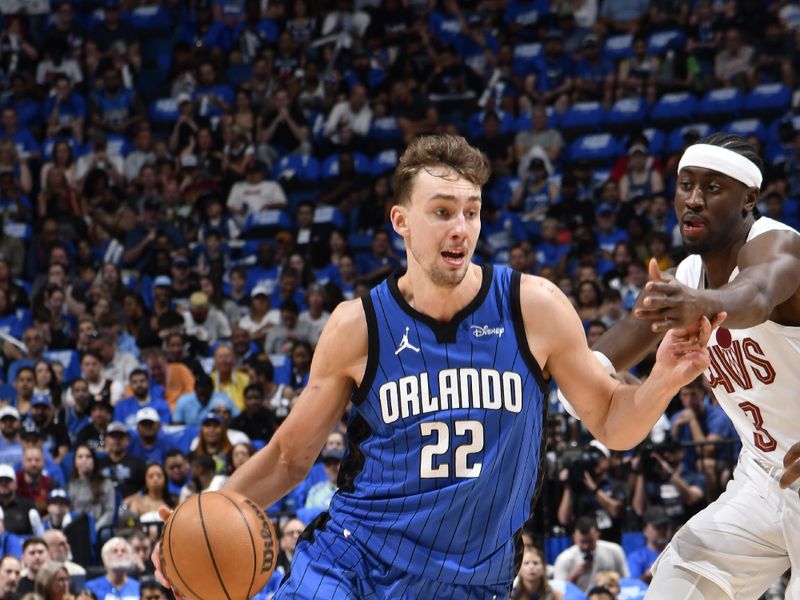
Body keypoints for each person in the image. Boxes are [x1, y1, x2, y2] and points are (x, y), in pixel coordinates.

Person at [153, 134, 715, 597]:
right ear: (401, 220)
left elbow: (614, 424)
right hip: (354, 558)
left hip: (473, 580)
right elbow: (288, 456)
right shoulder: (359, 325)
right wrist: (194, 522)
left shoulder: (533, 307)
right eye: (442, 212)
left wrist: (663, 379)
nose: (461, 228)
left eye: (471, 212)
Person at [590, 132, 800, 599]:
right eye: (686, 185)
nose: (694, 200)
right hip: (761, 475)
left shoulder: (780, 247)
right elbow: (599, 357)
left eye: (712, 187)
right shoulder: (686, 277)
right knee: (679, 580)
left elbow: (758, 294)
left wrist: (701, 304)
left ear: (749, 198)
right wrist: (563, 370)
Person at [553, 516, 630, 593]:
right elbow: (558, 592)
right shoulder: (564, 558)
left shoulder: (615, 551)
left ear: (598, 535)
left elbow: (626, 582)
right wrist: (573, 576)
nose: (586, 546)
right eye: (582, 542)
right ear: (574, 538)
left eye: (590, 541)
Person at [627, 506, 674, 584]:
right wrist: (646, 577)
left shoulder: (676, 553)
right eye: (657, 527)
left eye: (665, 526)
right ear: (645, 529)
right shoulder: (636, 557)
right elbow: (633, 585)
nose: (662, 531)